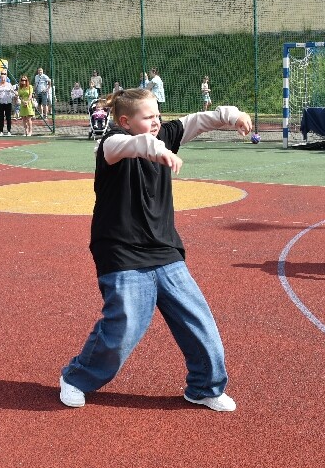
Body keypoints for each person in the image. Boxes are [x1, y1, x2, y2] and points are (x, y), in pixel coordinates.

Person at [57, 88, 254, 412]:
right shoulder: (111, 145)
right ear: (125, 121)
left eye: (158, 116)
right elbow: (131, 145)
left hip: (165, 251)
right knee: (123, 328)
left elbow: (199, 120)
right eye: (148, 118)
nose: (157, 123)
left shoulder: (163, 133)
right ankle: (76, 378)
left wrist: (232, 116)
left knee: (200, 325)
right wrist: (152, 146)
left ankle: (204, 387)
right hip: (121, 254)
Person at [0, 71, 16, 135]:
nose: (3, 79)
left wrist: (12, 97)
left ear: (6, 79)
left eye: (4, 78)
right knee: (1, 117)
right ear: (0, 78)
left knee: (8, 117)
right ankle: (1, 131)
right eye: (2, 78)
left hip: (8, 103)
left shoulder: (9, 85)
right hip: (0, 103)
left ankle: (9, 131)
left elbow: (13, 93)